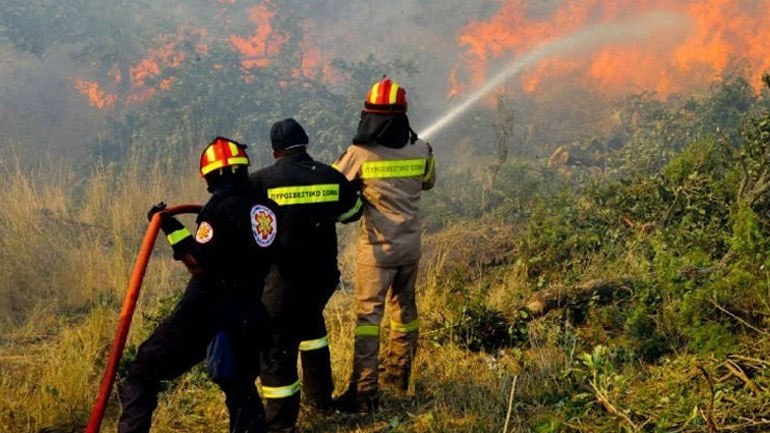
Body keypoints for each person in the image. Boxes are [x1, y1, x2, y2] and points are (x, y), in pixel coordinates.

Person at [118, 137, 280, 433]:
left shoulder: (219, 209)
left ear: (211, 175)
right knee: (239, 383)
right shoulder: (266, 208)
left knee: (142, 372)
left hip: (205, 312)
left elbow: (199, 263)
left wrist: (169, 227)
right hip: (248, 311)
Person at [250, 118, 362, 432]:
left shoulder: (261, 181)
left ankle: (280, 425)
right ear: (306, 142)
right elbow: (352, 213)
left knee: (276, 348)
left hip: (282, 282)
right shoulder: (330, 175)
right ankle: (321, 402)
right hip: (322, 279)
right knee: (312, 335)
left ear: (274, 151)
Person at [331, 78, 436, 413]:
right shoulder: (421, 148)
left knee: (367, 319)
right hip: (410, 249)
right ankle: (398, 378)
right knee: (404, 313)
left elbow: (332, 186)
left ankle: (363, 394)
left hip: (377, 253)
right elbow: (428, 182)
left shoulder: (359, 154)